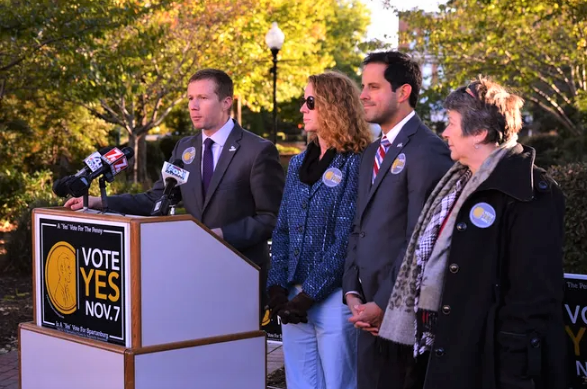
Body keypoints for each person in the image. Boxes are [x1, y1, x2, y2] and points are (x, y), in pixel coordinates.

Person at [378, 76, 567, 389]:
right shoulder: (453, 184)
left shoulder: (530, 192)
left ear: (479, 132)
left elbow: (533, 298)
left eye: (451, 123)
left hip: (487, 363)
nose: (445, 132)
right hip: (439, 348)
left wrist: (513, 373)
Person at [64, 69, 285, 311]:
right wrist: (100, 202)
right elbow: (156, 198)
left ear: (226, 102)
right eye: (190, 98)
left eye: (202, 98)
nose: (193, 106)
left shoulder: (257, 150)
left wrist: (222, 234)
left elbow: (271, 219)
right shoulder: (185, 148)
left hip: (240, 273)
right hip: (194, 274)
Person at [342, 51, 453, 389]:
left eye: (373, 87)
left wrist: (383, 302)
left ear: (402, 92)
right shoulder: (370, 154)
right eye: (363, 86)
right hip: (365, 313)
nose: (362, 95)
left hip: (400, 316)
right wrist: (352, 290)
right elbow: (358, 228)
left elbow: (422, 238)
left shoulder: (428, 150)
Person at [266, 71, 372, 389]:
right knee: (301, 383)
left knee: (340, 383)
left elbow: (346, 239)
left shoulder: (357, 161)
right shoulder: (299, 162)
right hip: (294, 297)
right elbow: (283, 227)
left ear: (334, 106)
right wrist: (276, 287)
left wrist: (310, 295)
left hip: (333, 298)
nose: (302, 108)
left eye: (310, 101)